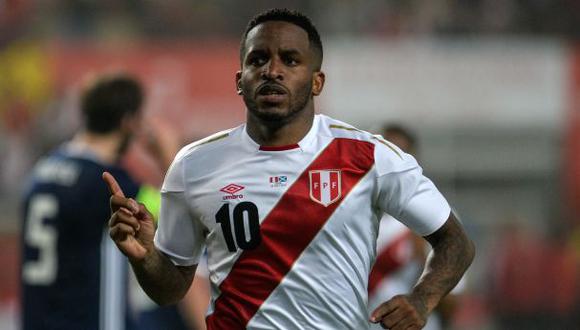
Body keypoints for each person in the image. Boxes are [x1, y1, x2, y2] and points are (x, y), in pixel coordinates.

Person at [104, 8, 475, 330]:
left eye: (290, 60)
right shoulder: (194, 165)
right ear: (239, 80)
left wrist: (422, 301)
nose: (272, 70)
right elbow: (172, 287)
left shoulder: (369, 157)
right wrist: (145, 256)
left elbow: (456, 243)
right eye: (258, 59)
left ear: (317, 81)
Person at [19, 72, 173, 330]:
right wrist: (169, 157)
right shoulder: (106, 182)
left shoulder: (41, 171)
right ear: (128, 122)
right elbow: (171, 212)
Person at [368, 124, 465, 330]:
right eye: (384, 153)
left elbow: (451, 305)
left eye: (398, 152)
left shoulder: (436, 218)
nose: (389, 162)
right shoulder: (357, 213)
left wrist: (423, 259)